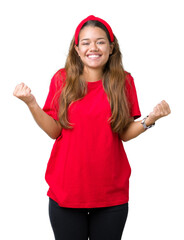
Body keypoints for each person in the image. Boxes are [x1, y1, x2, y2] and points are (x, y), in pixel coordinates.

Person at [13, 15, 171, 240]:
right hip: (67, 192)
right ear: (77, 49)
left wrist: (151, 118)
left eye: (100, 41)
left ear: (111, 47)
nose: (93, 47)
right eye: (86, 42)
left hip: (111, 193)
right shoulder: (62, 79)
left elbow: (124, 133)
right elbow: (54, 131)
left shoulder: (124, 82)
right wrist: (31, 103)